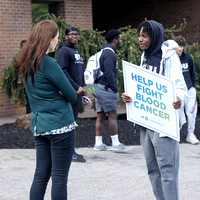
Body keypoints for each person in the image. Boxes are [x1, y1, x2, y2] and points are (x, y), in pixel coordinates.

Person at [122, 20, 187, 200]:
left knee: (167, 171)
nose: (140, 39)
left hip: (164, 123)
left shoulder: (169, 56)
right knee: (152, 169)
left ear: (155, 36)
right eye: (139, 35)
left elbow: (180, 86)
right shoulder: (145, 56)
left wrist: (178, 99)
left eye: (145, 35)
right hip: (145, 122)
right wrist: (128, 96)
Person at [17, 20, 77, 200]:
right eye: (57, 38)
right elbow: (73, 96)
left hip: (40, 125)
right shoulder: (48, 63)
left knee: (40, 176)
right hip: (60, 125)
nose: (57, 41)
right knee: (59, 178)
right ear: (48, 39)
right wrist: (62, 92)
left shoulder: (26, 63)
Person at [93, 29, 131, 152]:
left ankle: (98, 144)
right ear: (115, 40)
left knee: (100, 115)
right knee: (112, 114)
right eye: (120, 39)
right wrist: (115, 89)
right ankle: (116, 144)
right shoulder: (110, 53)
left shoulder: (102, 51)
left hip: (97, 86)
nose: (121, 41)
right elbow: (109, 73)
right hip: (106, 87)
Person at [56, 27, 86, 162]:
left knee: (72, 123)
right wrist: (75, 87)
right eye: (71, 34)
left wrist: (82, 89)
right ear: (66, 36)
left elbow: (78, 72)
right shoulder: (64, 50)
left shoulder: (75, 50)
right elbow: (62, 71)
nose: (74, 36)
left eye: (76, 34)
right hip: (70, 93)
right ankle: (69, 153)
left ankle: (69, 151)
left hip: (77, 93)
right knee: (69, 124)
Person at [173, 35, 199, 144]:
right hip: (176, 91)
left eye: (182, 46)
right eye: (178, 46)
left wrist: (192, 86)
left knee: (191, 112)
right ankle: (175, 136)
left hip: (189, 89)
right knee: (176, 113)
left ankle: (190, 134)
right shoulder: (170, 59)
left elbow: (192, 73)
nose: (180, 48)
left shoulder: (188, 58)